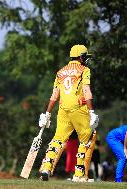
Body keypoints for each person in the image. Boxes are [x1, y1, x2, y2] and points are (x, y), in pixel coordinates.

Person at [38, 45, 99, 182]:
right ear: (81, 57)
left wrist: (47, 113)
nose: (86, 60)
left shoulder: (60, 72)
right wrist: (92, 111)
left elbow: (54, 95)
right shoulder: (84, 70)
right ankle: (79, 175)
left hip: (63, 109)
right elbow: (86, 91)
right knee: (88, 138)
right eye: (85, 57)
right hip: (79, 108)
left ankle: (46, 167)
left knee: (58, 139)